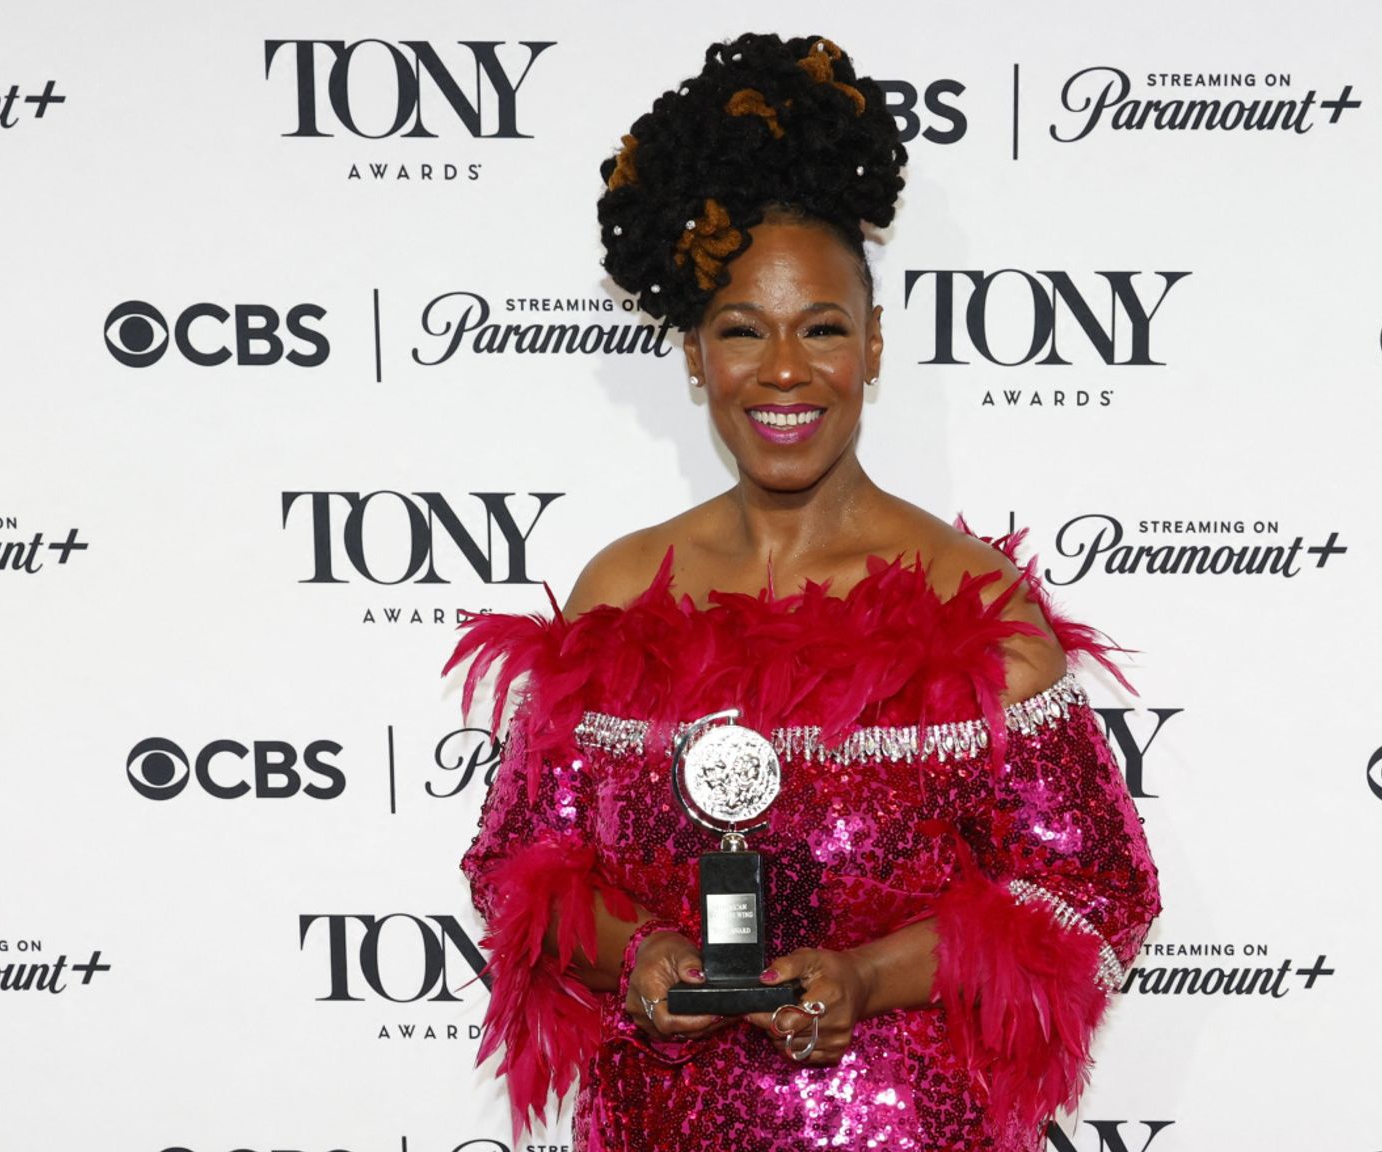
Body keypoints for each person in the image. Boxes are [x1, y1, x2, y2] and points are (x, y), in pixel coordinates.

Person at [447, 32, 1161, 1152]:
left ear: (873, 347)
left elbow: (1093, 892)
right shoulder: (619, 593)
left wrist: (869, 978)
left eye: (822, 328)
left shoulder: (971, 607)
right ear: (693, 355)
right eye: (742, 330)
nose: (785, 370)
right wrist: (640, 956)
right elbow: (514, 868)